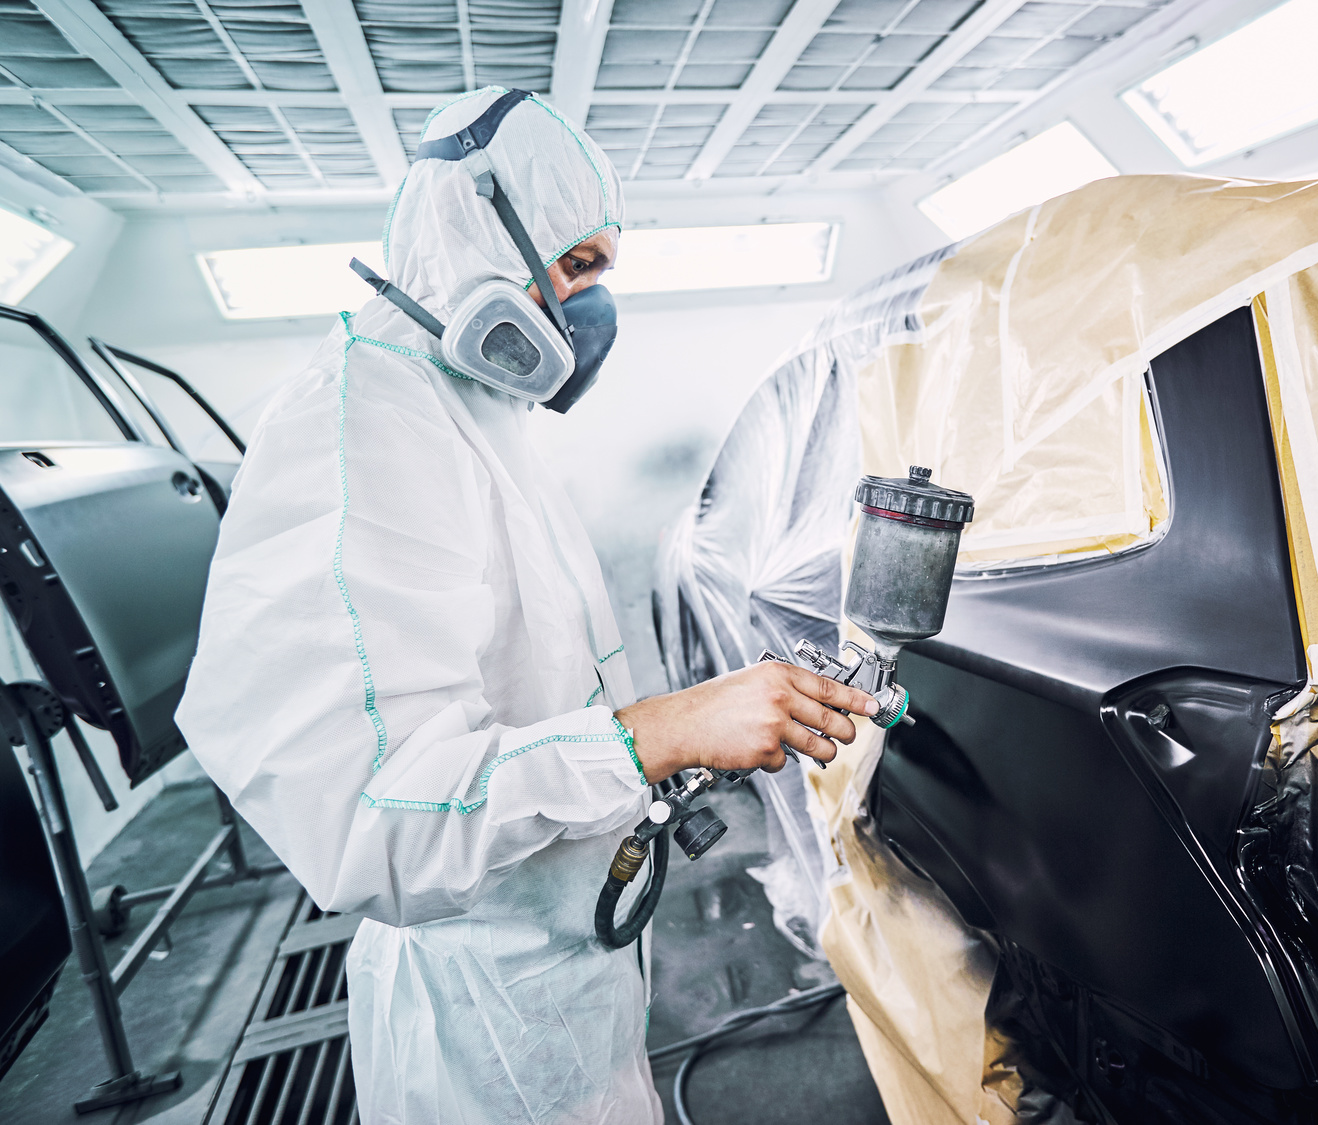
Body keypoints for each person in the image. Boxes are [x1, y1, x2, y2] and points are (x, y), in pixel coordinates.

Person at [176, 87, 876, 1125]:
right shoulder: (355, 429)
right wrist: (659, 731)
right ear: (478, 235)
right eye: (580, 265)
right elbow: (375, 821)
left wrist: (653, 747)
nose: (594, 309)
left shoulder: (461, 409)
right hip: (481, 1029)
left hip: (553, 977)